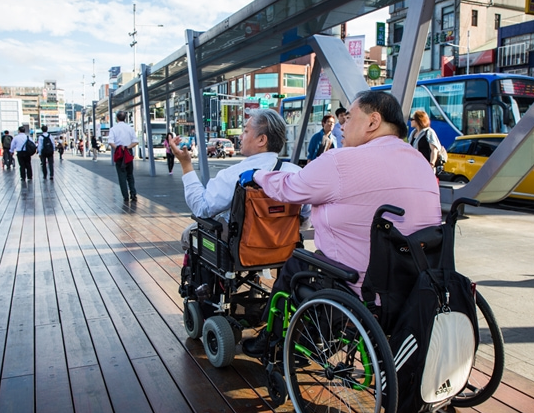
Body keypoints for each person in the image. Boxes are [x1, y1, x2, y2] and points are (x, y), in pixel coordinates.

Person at [240, 91, 442, 356]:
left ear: (373, 122)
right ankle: (309, 338)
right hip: (415, 283)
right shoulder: (420, 162)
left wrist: (257, 175)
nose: (342, 126)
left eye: (348, 119)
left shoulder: (341, 161)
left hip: (363, 288)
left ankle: (272, 340)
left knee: (296, 262)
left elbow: (290, 188)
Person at [168, 108, 309, 248]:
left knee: (189, 234)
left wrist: (186, 164)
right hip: (283, 247)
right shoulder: (297, 174)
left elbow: (201, 208)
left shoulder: (234, 175)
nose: (240, 137)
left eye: (246, 131)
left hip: (241, 250)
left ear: (261, 139)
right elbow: (306, 218)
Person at [109, 111, 139, 201]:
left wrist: (118, 148)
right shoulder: (130, 128)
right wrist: (127, 147)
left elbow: (110, 142)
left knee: (121, 175)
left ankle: (125, 196)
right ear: (125, 118)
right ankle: (133, 193)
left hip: (119, 153)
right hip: (128, 152)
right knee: (130, 174)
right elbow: (136, 142)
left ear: (117, 118)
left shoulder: (113, 129)